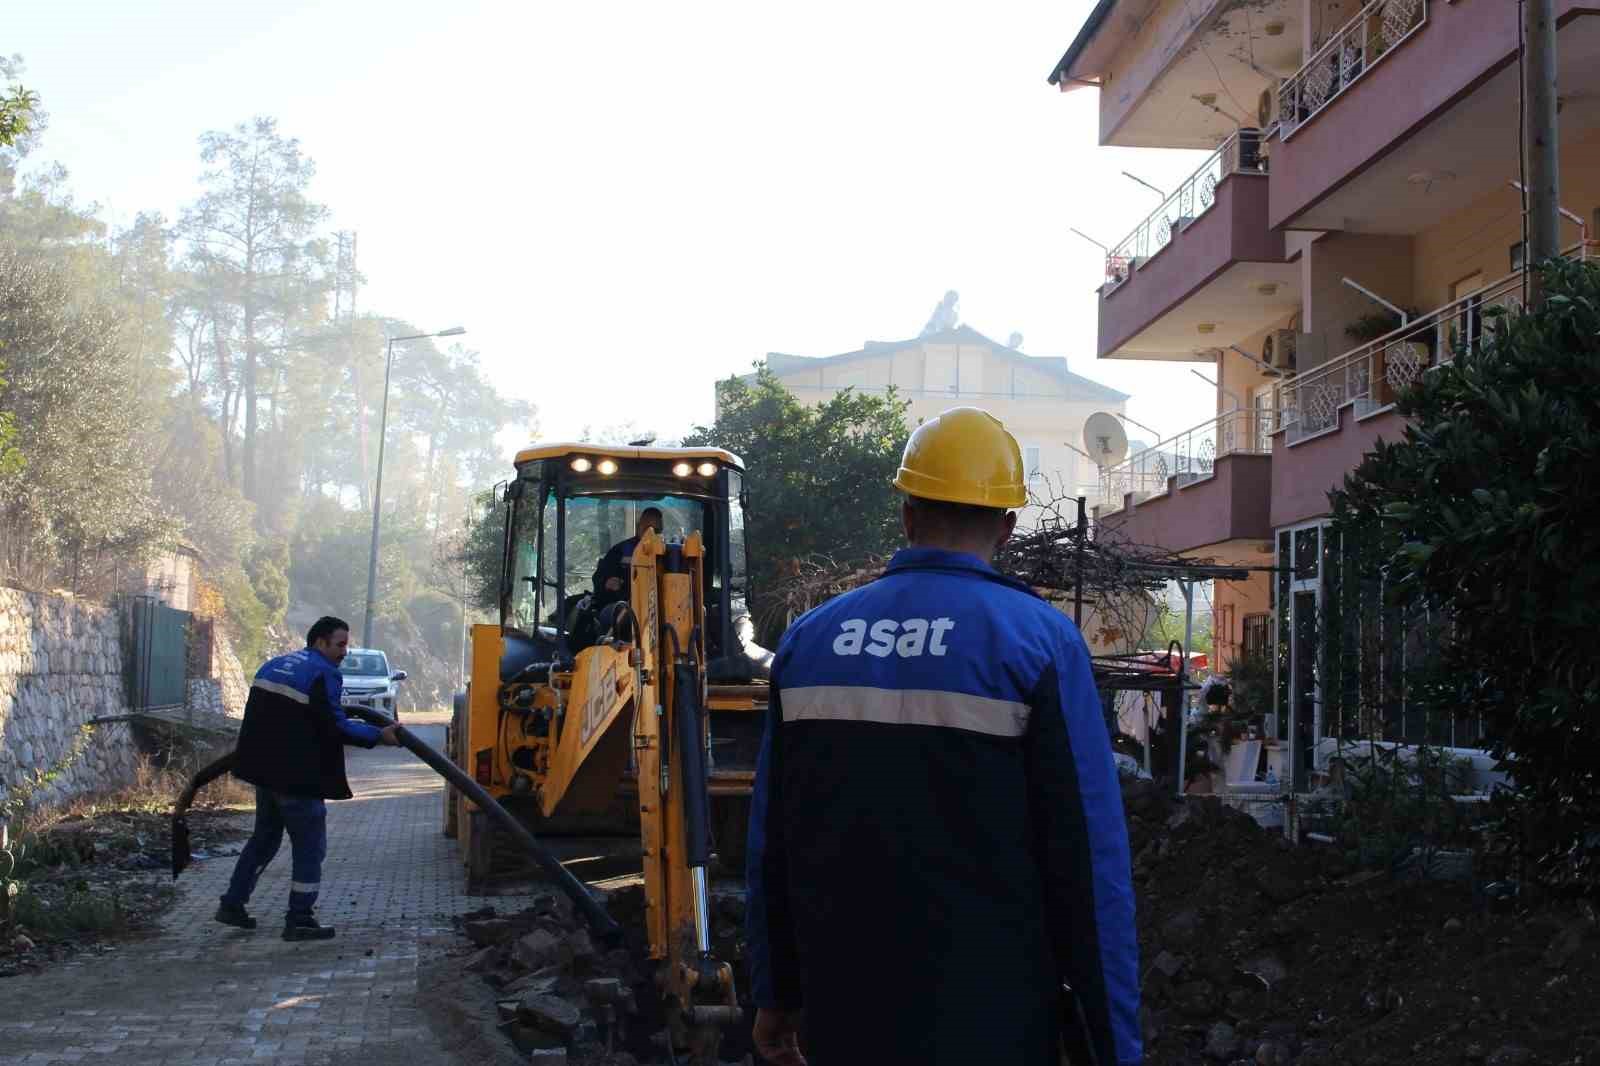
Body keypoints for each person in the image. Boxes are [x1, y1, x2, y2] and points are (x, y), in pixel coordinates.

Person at [745, 407, 1141, 1066]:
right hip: (995, 1023)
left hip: (844, 1016)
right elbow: (1090, 863)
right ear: (1008, 527)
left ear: (907, 514)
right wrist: (1114, 1044)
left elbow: (772, 845)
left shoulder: (810, 641)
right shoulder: (1038, 644)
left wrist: (774, 992)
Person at [216, 615, 399, 942]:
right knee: (309, 846)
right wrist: (378, 735)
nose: (345, 651)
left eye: (347, 644)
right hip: (296, 777)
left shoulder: (274, 665)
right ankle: (300, 918)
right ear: (320, 642)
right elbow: (336, 725)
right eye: (340, 644)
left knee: (264, 839)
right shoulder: (323, 674)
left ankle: (232, 903)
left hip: (264, 772)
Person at [591, 506, 664, 609]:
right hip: (623, 608)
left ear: (661, 532)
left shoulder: (667, 555)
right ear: (638, 526)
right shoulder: (620, 551)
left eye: (656, 531)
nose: (650, 534)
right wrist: (606, 583)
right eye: (647, 528)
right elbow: (599, 580)